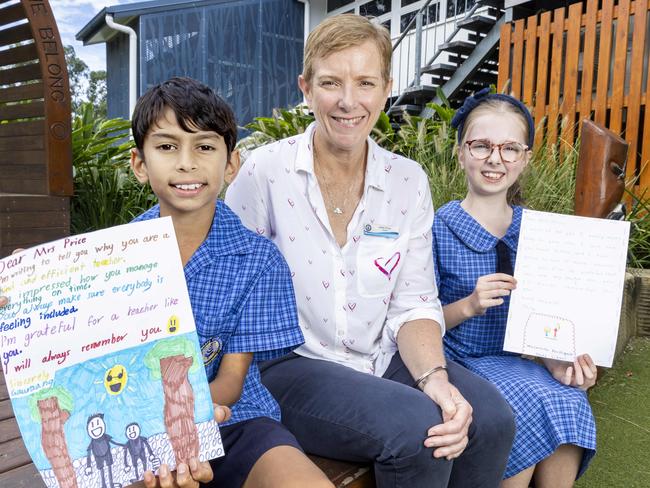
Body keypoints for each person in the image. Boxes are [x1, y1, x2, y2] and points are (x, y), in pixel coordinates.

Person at [225, 14, 515, 488]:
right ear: (305, 87)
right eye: (330, 82)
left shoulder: (407, 180)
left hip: (383, 352)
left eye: (365, 83)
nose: (348, 101)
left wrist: (436, 379)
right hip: (291, 363)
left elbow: (414, 302)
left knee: (491, 419)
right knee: (419, 429)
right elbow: (230, 286)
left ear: (386, 89)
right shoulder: (265, 172)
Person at [123, 77, 333, 488]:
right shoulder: (112, 259)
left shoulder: (258, 260)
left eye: (204, 146)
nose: (186, 162)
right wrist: (31, 281)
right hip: (137, 432)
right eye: (167, 146)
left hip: (233, 420)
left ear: (231, 164)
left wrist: (186, 425)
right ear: (140, 164)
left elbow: (232, 381)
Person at [432, 88, 597, 488]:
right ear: (460, 152)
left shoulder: (540, 233)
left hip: (515, 362)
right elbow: (416, 321)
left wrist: (558, 360)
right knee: (518, 402)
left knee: (569, 396)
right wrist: (469, 305)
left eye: (509, 149)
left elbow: (550, 318)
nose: (495, 158)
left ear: (524, 159)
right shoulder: (438, 227)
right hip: (459, 360)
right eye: (482, 146)